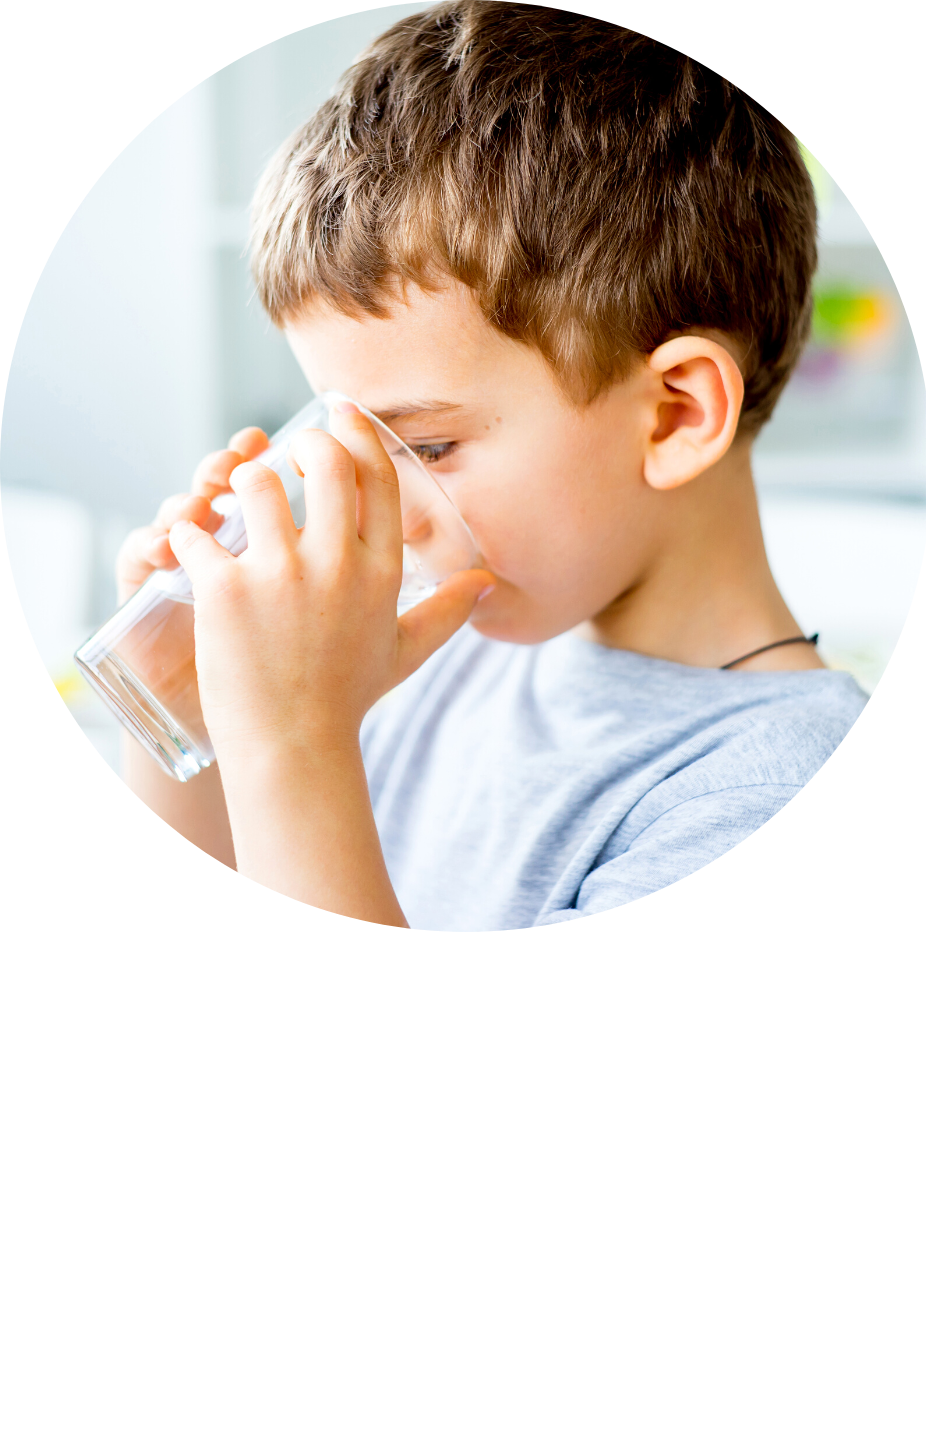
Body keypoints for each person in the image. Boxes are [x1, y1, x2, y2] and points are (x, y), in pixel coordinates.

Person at [114, 2, 867, 929]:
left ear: (675, 415)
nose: (382, 508)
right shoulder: (439, 657)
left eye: (426, 447)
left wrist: (297, 744)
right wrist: (196, 706)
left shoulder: (757, 789)